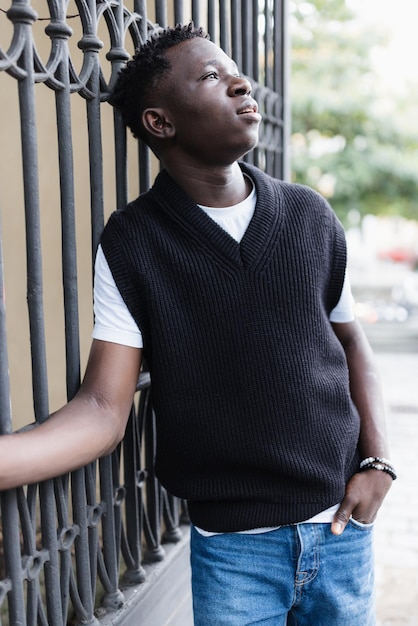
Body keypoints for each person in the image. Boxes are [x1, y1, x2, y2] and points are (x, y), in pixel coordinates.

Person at [0, 23, 395, 625]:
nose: (241, 82)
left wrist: (379, 463)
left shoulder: (308, 215)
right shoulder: (134, 243)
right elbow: (104, 410)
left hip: (342, 529)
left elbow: (351, 341)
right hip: (235, 551)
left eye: (234, 70)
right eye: (212, 76)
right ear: (161, 123)